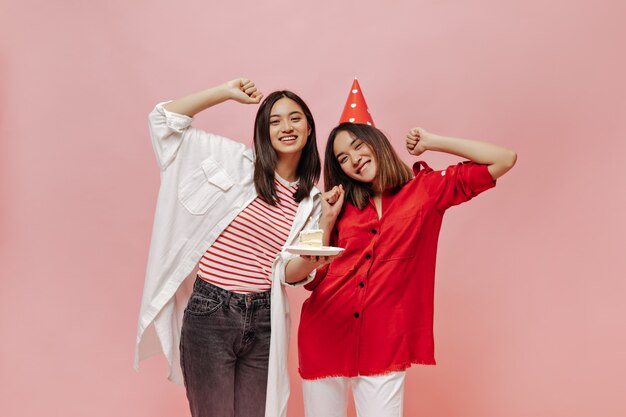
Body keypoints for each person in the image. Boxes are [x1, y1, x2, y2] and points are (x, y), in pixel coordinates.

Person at [134, 78, 329, 417]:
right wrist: (223, 92)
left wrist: (323, 229)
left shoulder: (310, 200)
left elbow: (289, 274)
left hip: (265, 319)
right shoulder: (234, 160)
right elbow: (163, 120)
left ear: (309, 128)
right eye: (275, 120)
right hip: (212, 311)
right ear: (263, 131)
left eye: (295, 118)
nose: (286, 127)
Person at [296, 121, 517, 417]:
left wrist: (432, 141)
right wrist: (326, 220)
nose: (353, 160)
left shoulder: (425, 190)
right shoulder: (337, 205)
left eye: (358, 146)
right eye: (343, 159)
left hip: (384, 343)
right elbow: (312, 278)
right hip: (323, 334)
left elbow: (504, 158)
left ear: (377, 143)